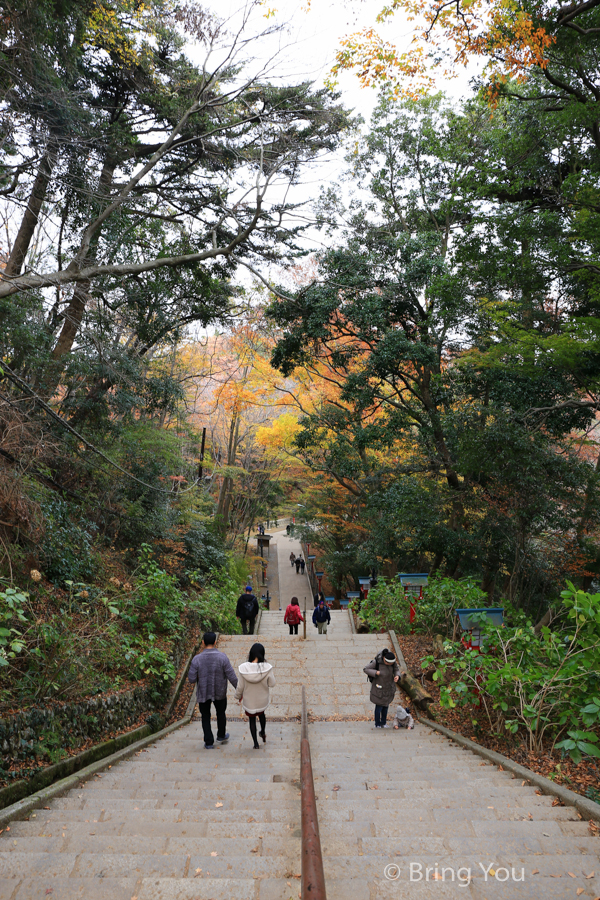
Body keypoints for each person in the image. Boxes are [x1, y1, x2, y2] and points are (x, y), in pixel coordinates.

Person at [188, 632, 238, 749]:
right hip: (219, 691)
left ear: (203, 642)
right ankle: (221, 735)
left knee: (205, 716)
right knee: (221, 713)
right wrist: (239, 690)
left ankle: (209, 742)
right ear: (215, 642)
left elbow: (191, 679)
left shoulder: (197, 659)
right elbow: (231, 676)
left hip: (203, 692)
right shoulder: (222, 657)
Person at [235, 642, 275, 749]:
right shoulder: (267, 668)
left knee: (252, 720)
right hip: (262, 700)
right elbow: (272, 683)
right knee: (262, 715)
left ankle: (256, 744)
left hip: (249, 701)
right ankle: (263, 731)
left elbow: (240, 687)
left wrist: (238, 696)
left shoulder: (243, 669)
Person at [363, 648, 402, 729]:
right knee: (379, 707)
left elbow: (396, 669)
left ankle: (383, 722)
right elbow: (366, 669)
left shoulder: (392, 662)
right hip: (379, 688)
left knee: (386, 706)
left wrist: (397, 676)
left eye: (391, 663)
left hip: (388, 687)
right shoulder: (376, 662)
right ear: (384, 658)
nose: (389, 664)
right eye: (387, 662)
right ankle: (377, 723)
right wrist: (375, 672)